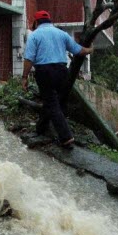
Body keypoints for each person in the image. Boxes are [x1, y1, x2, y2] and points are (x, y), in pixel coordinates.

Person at [22, 10, 93, 148]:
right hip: (62, 71)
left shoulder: (34, 35)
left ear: (36, 22)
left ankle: (66, 137)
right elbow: (79, 50)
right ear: (49, 21)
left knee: (52, 102)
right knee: (55, 102)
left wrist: (24, 77)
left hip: (44, 71)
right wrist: (91, 49)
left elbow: (29, 58)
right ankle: (40, 129)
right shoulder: (62, 34)